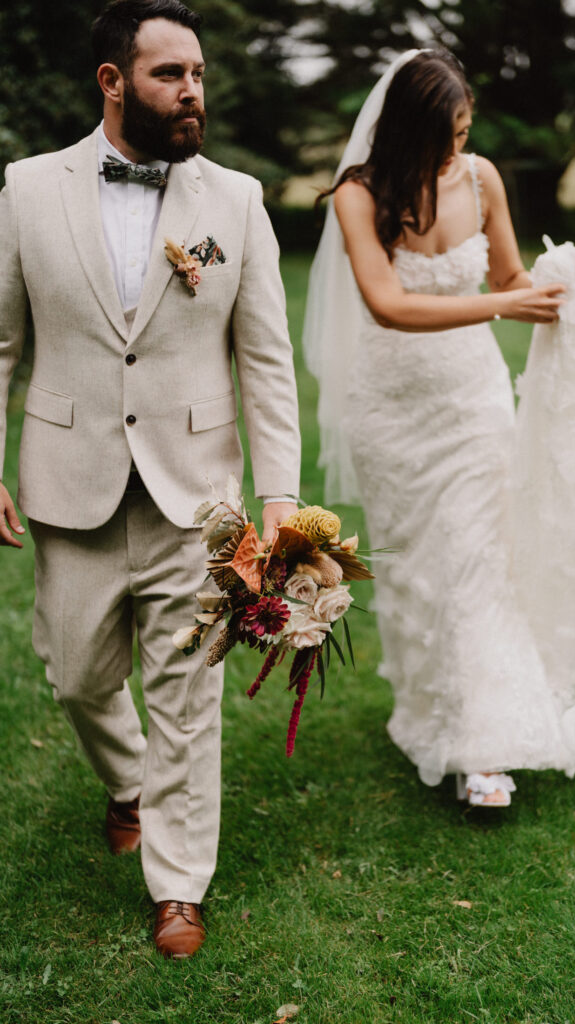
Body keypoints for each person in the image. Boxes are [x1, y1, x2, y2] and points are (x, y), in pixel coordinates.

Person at [0, 0, 300, 958]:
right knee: (77, 674)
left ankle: (178, 885)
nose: (192, 92)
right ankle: (125, 780)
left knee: (185, 695)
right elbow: (2, 341)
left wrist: (280, 504)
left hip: (193, 494)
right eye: (171, 74)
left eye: (199, 74)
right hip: (70, 478)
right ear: (113, 81)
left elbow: (266, 364)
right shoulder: (25, 190)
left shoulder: (236, 202)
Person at [303, 49, 575, 807]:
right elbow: (387, 305)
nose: (457, 150)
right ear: (408, 131)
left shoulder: (481, 178)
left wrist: (550, 287)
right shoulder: (357, 195)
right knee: (418, 568)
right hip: (391, 406)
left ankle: (483, 750)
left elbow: (506, 280)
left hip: (469, 398)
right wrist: (504, 306)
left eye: (464, 132)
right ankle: (427, 710)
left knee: (477, 560)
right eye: (445, 136)